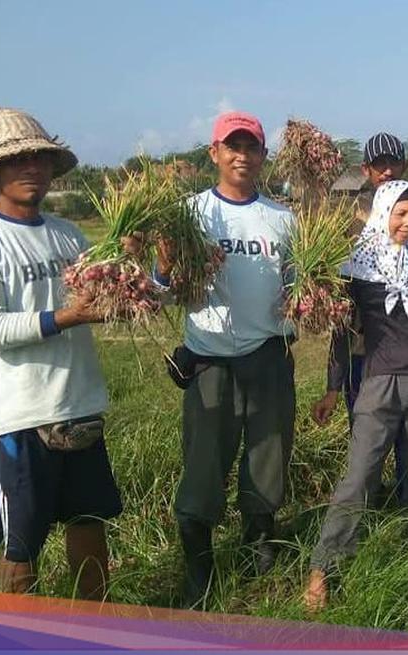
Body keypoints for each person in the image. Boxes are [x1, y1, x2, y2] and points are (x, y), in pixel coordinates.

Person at [0, 108, 121, 599]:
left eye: (40, 158)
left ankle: (94, 626)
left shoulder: (68, 234)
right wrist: (66, 317)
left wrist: (156, 271)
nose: (32, 168)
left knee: (89, 527)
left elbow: (107, 296)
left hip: (79, 407)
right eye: (18, 159)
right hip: (20, 420)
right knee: (21, 545)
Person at [152, 111, 297, 608]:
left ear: (263, 155)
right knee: (204, 462)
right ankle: (200, 567)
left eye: (251, 147)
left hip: (269, 355)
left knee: (268, 455)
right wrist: (164, 268)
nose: (242, 156)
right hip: (210, 358)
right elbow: (160, 291)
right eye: (232, 146)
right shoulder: (189, 214)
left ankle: (260, 548)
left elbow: (297, 284)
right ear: (214, 153)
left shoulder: (283, 219)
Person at [304, 180, 408, 612]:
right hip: (379, 380)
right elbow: (342, 332)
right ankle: (324, 564)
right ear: (383, 213)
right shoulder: (357, 266)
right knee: (360, 473)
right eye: (400, 213)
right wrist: (333, 388)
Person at [344, 133, 408, 508]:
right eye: (379, 165)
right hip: (364, 345)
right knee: (366, 431)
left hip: (407, 347)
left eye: (393, 163)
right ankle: (367, 506)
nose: (387, 171)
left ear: (404, 166)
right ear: (366, 170)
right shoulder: (350, 220)